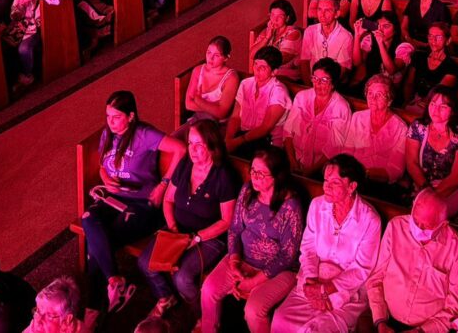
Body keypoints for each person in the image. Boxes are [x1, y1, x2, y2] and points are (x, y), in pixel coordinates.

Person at [81, 91, 185, 316]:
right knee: (88, 218)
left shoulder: (144, 134)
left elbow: (180, 149)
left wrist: (163, 185)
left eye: (116, 117)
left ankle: (92, 311)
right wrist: (107, 179)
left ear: (130, 116)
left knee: (98, 240)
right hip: (116, 197)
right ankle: (115, 281)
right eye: (108, 116)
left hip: (142, 203)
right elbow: (103, 164)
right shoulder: (107, 134)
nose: (110, 122)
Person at [136, 119, 237, 323]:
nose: (193, 150)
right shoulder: (185, 165)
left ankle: (203, 315)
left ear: (212, 145)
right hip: (178, 229)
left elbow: (226, 221)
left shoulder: (224, 176)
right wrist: (173, 228)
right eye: (190, 144)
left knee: (182, 278)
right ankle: (167, 296)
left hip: (209, 237)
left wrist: (197, 238)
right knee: (145, 263)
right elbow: (169, 199)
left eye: (199, 145)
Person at [270, 155, 381, 333]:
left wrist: (325, 289)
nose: (326, 187)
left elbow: (362, 268)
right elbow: (308, 249)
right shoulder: (317, 206)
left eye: (335, 182)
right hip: (313, 280)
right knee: (281, 320)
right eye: (325, 180)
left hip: (347, 291)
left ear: (352, 186)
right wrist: (313, 283)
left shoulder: (369, 220)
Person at [200, 147, 302, 333]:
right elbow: (235, 229)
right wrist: (234, 262)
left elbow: (287, 255)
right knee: (208, 290)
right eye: (252, 170)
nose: (254, 177)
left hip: (277, 271)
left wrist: (253, 282)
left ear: (276, 176)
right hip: (243, 260)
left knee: (253, 310)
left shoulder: (290, 206)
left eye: (261, 173)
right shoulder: (248, 190)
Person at [367, 188, 458, 332]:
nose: (418, 229)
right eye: (415, 221)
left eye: (426, 227)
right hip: (386, 318)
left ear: (443, 225)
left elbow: (456, 306)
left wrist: (421, 331)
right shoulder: (396, 227)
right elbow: (376, 278)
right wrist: (380, 321)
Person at [406, 86, 458, 217]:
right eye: (432, 104)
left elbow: (457, 177)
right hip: (421, 186)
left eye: (443, 107)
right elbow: (411, 163)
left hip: (450, 191)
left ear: (453, 111)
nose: (435, 110)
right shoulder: (418, 127)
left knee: (434, 215)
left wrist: (434, 197)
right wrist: (425, 191)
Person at [336, 75, 408, 192]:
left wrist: (366, 173)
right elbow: (347, 152)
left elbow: (396, 170)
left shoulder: (401, 128)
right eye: (370, 93)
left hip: (382, 186)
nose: (373, 98)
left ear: (389, 100)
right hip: (353, 179)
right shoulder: (357, 118)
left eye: (379, 95)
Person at [282, 59, 351, 177]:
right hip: (293, 162)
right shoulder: (302, 97)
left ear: (333, 83)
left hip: (322, 170)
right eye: (314, 78)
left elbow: (334, 147)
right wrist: (292, 162)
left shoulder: (341, 107)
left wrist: (310, 172)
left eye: (324, 80)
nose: (317, 84)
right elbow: (288, 132)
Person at [2, 0, 62, 90]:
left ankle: (27, 75)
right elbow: (13, 14)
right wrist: (21, 7)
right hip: (21, 26)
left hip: (39, 28)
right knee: (3, 45)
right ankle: (8, 78)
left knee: (24, 48)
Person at [225, 47, 292, 154]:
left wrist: (237, 142)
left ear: (274, 72)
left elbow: (265, 128)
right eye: (255, 64)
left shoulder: (278, 91)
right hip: (243, 135)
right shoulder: (246, 84)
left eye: (263, 67)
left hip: (267, 142)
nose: (257, 70)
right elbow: (236, 116)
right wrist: (228, 139)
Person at [183, 36, 240, 124]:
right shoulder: (198, 70)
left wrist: (198, 100)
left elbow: (221, 113)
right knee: (175, 136)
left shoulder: (231, 78)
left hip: (216, 124)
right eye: (209, 52)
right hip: (197, 118)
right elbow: (188, 104)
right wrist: (214, 107)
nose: (211, 58)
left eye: (216, 55)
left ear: (226, 58)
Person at [298, 0, 354, 83]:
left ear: (337, 14)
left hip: (333, 84)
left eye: (327, 10)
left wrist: (325, 86)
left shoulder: (346, 36)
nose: (322, 14)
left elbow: (343, 69)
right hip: (312, 81)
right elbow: (304, 61)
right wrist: (309, 85)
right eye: (319, 9)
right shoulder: (310, 31)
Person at [250, 0, 303, 78]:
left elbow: (278, 61)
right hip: (267, 71)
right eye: (272, 15)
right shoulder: (267, 31)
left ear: (287, 18)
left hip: (286, 74)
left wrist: (260, 62)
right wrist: (267, 38)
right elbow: (252, 55)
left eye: (280, 16)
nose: (275, 19)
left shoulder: (293, 33)